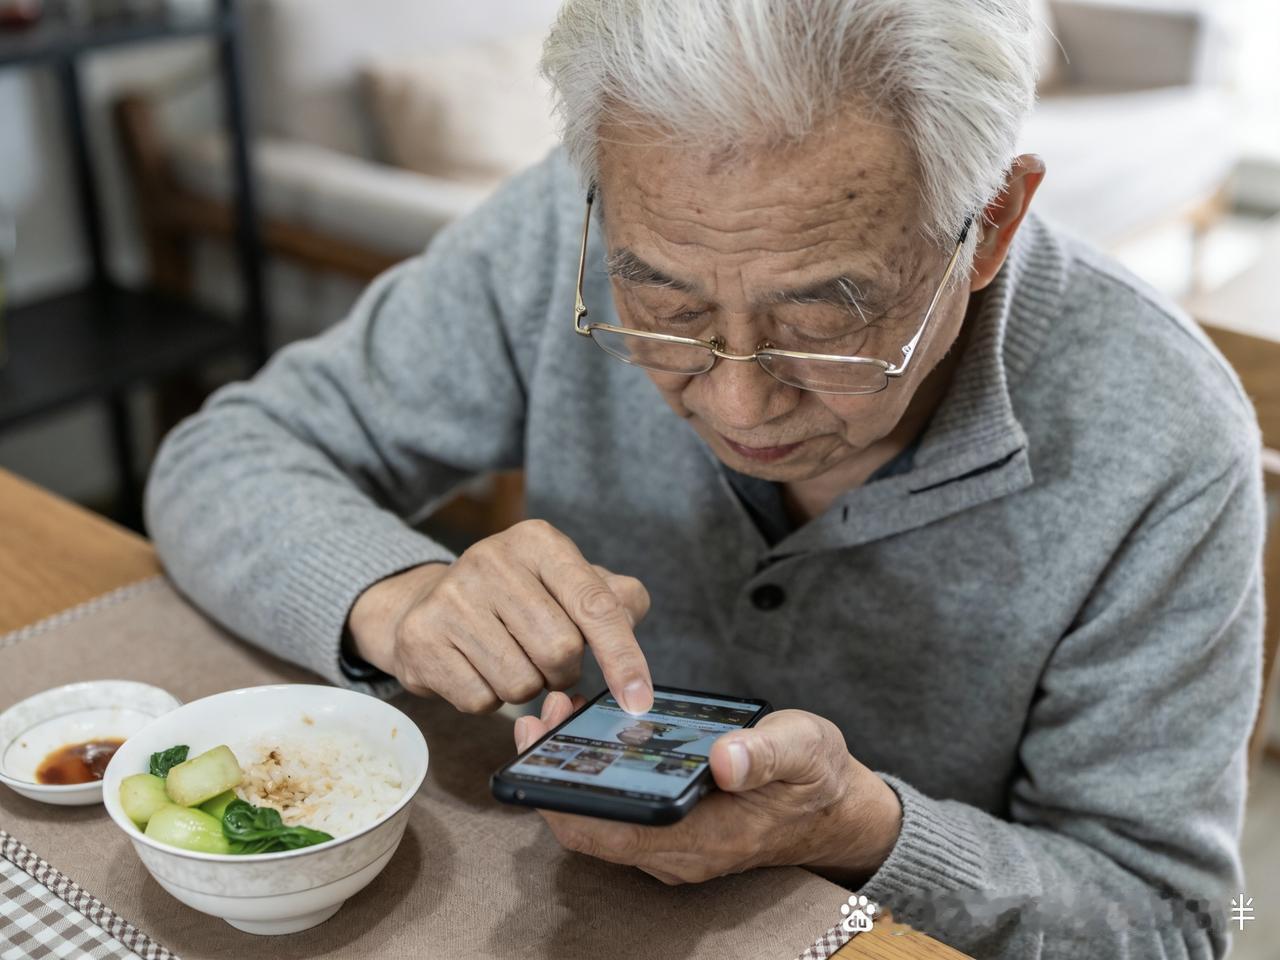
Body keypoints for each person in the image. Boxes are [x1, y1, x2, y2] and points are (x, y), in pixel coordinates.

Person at [144, 1, 1264, 956]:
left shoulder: (1158, 436)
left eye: (827, 322)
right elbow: (224, 453)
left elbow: (1165, 920)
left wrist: (860, 828)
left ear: (990, 224)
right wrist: (398, 596)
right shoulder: (561, 226)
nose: (734, 406)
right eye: (667, 308)